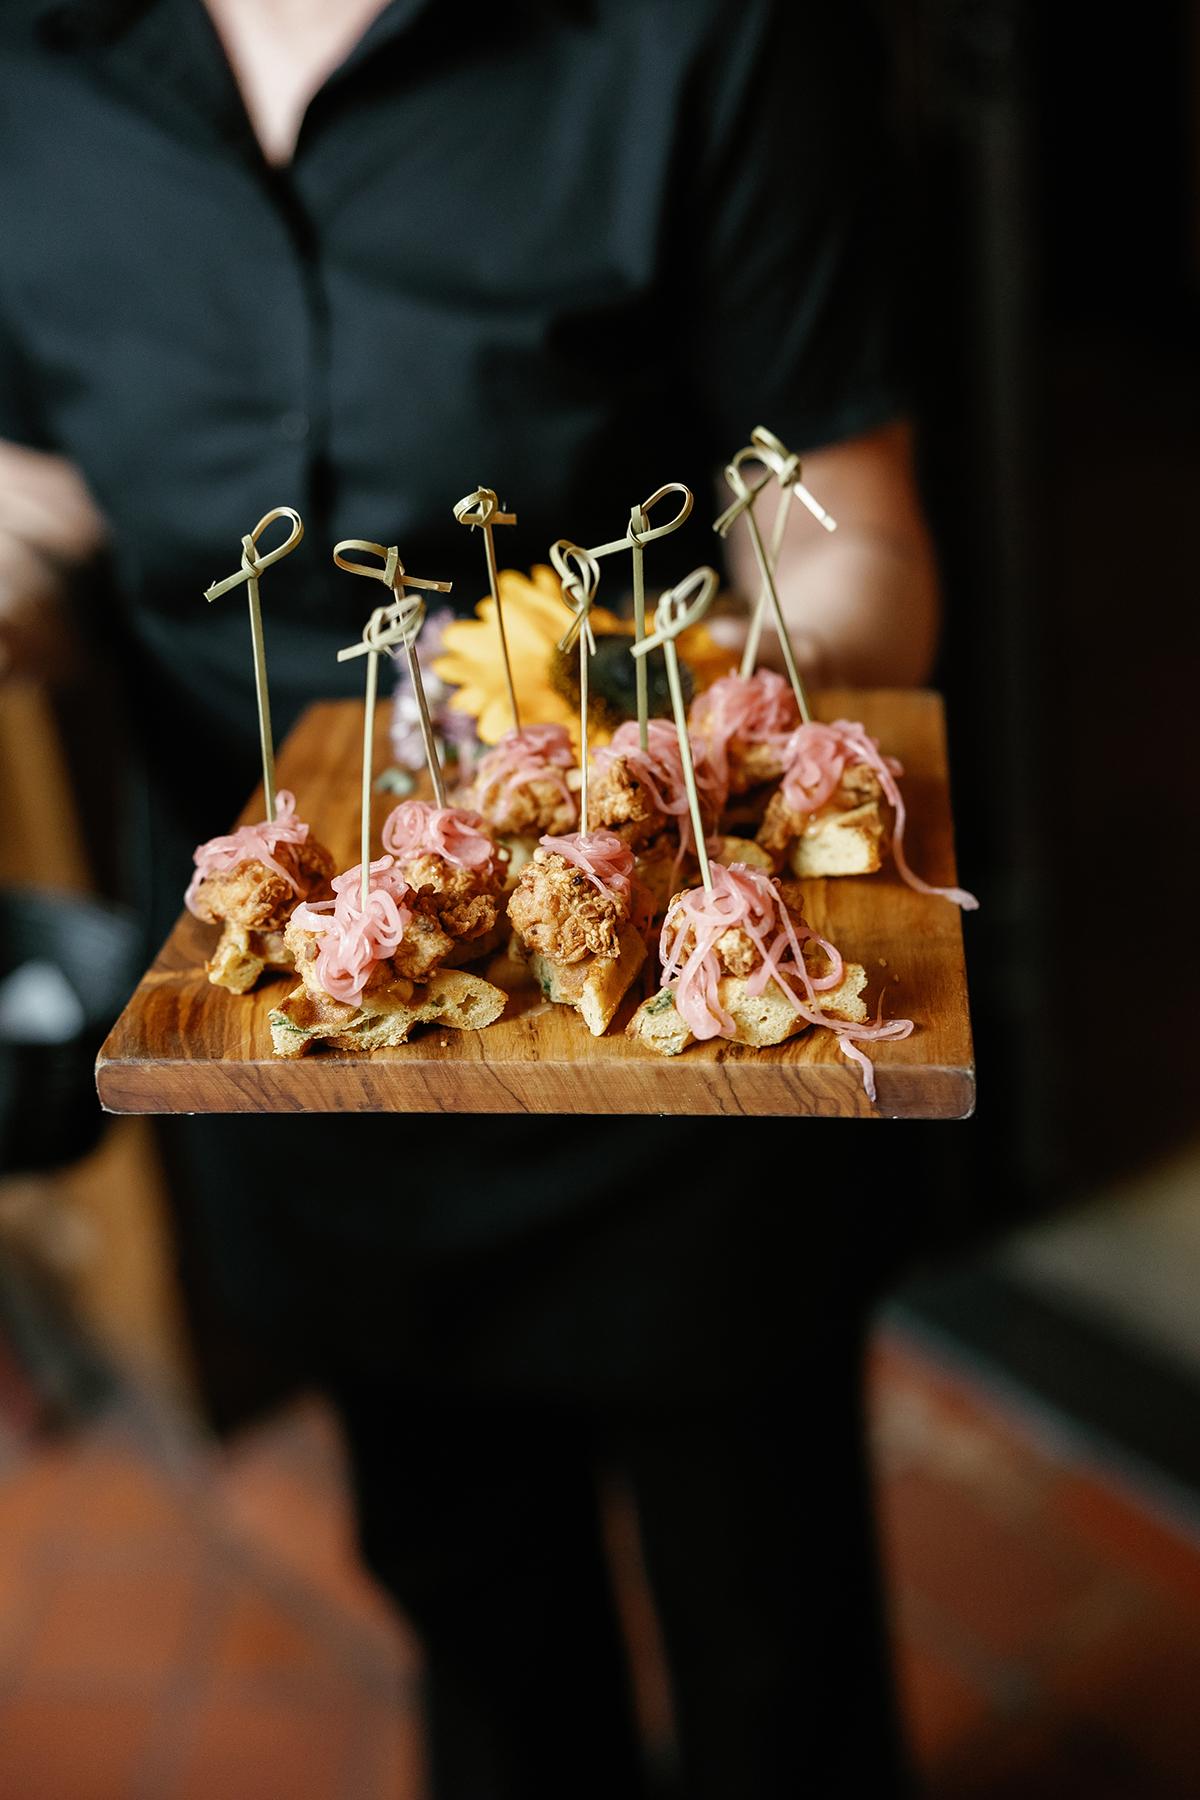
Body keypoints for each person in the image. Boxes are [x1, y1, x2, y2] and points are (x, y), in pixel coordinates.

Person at [1, 1, 938, 1794]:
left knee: (779, 1649)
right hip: (301, 1042)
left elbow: (854, 523)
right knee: (478, 1627)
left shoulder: (702, 35)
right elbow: (37, 491)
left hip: (695, 1050)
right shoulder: (26, 64)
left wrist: (707, 715)